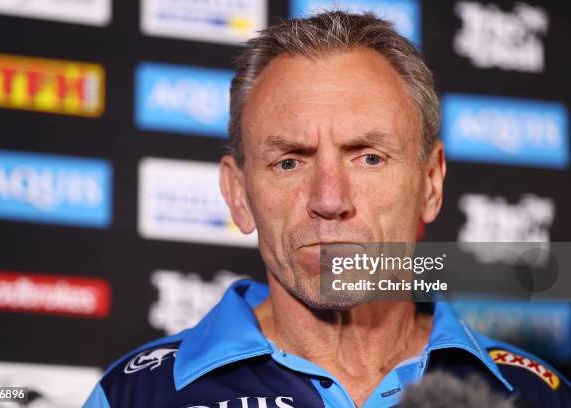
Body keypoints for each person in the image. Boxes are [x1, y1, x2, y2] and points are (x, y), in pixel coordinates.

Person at [84, 11, 570, 408]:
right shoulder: (134, 396)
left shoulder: (534, 395)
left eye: (369, 157)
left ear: (431, 182)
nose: (329, 200)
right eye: (290, 161)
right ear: (238, 194)